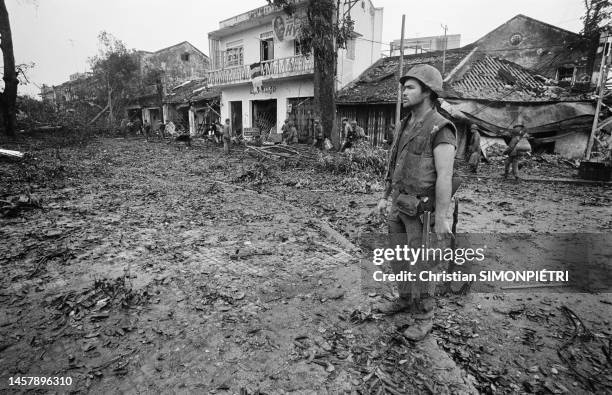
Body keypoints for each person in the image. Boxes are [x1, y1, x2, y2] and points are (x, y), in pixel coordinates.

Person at [375, 64, 458, 341]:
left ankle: (424, 318)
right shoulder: (405, 123)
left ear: (428, 92)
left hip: (422, 211)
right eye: (404, 87)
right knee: (398, 259)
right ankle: (404, 300)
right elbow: (394, 163)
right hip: (400, 204)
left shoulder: (441, 128)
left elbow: (445, 176)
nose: (404, 92)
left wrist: (442, 218)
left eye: (410, 87)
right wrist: (385, 197)